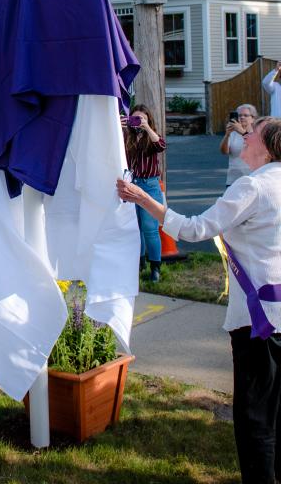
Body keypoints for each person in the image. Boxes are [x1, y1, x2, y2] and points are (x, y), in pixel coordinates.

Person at [116, 117, 281, 484]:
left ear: (267, 146)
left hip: (260, 322)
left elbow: (194, 229)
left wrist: (145, 199)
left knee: (256, 418)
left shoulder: (251, 187)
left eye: (252, 132)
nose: (245, 133)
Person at [121, 103, 167, 282]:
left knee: (150, 228)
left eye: (142, 119)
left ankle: (155, 267)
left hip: (150, 185)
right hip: (132, 184)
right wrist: (119, 126)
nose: (138, 122)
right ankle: (139, 264)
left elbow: (161, 146)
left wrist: (146, 127)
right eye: (135, 118)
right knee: (135, 227)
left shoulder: (151, 137)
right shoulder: (126, 136)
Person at [220, 104, 258, 184]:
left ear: (253, 118)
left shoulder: (258, 133)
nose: (242, 117)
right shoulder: (233, 133)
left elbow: (257, 147)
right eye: (239, 115)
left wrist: (242, 132)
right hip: (234, 179)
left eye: (245, 115)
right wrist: (227, 135)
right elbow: (224, 152)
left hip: (253, 179)